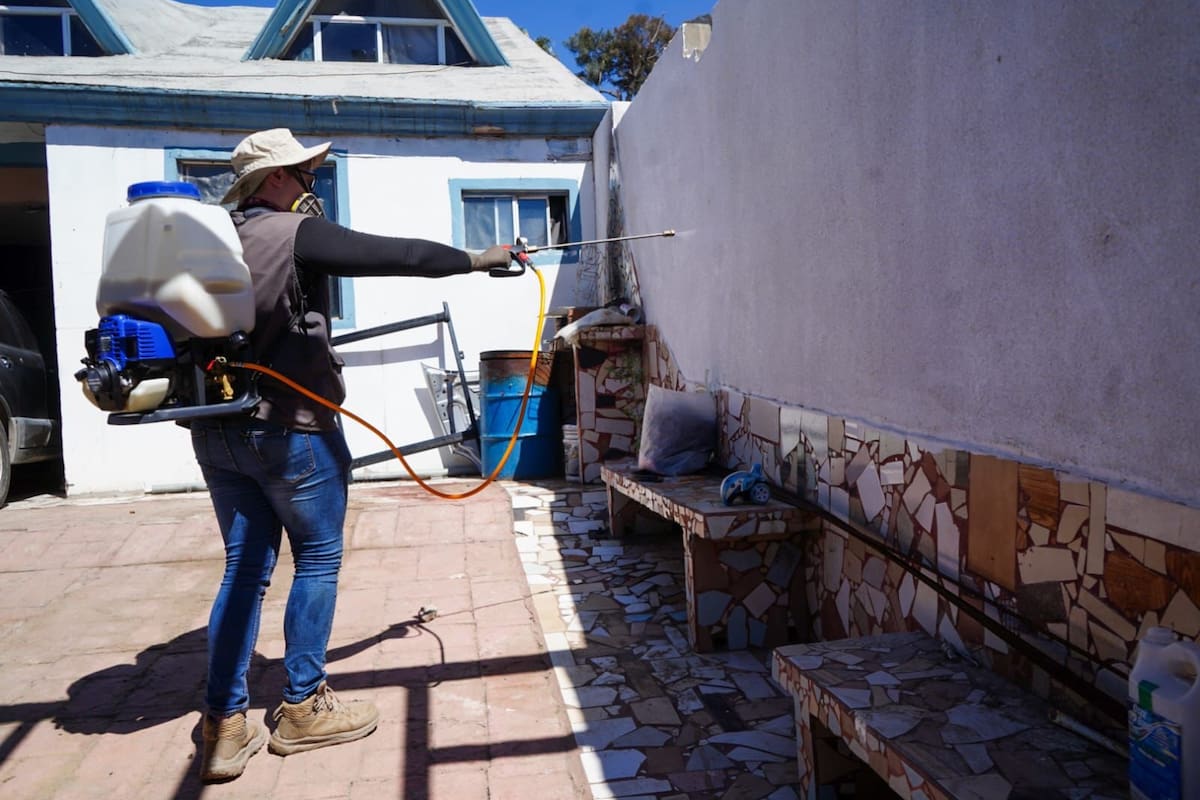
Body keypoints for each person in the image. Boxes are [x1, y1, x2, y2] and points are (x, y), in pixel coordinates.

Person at [193, 128, 512, 782]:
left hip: (218, 428)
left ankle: (225, 726)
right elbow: (399, 255)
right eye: (305, 174)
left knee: (244, 569)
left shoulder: (208, 237)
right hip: (293, 427)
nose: (312, 184)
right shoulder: (290, 235)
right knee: (317, 554)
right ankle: (304, 706)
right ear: (274, 179)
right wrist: (479, 260)